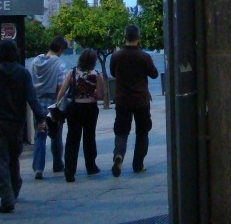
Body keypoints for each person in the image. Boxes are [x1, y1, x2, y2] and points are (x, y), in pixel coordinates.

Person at [0, 40, 45, 213]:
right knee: (13, 159)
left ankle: (6, 196)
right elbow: (32, 98)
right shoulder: (22, 73)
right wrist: (40, 118)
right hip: (16, 124)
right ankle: (14, 191)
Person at [109, 24, 159, 177]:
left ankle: (119, 155)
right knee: (142, 132)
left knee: (121, 131)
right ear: (138, 37)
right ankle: (138, 164)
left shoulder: (116, 56)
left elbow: (113, 73)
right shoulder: (144, 56)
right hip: (141, 100)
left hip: (122, 99)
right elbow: (155, 74)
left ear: (125, 36)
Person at [58, 48, 106, 183]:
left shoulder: (72, 72)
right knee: (89, 137)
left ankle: (69, 170)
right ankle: (91, 166)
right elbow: (101, 95)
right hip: (90, 108)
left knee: (72, 139)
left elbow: (63, 90)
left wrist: (58, 104)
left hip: (74, 108)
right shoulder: (96, 74)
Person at [26, 35, 68, 178]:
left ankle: (38, 167)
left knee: (39, 135)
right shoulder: (59, 64)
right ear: (61, 49)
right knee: (56, 135)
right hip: (52, 103)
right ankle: (58, 164)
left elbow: (29, 83)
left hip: (37, 103)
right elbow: (60, 87)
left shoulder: (34, 62)